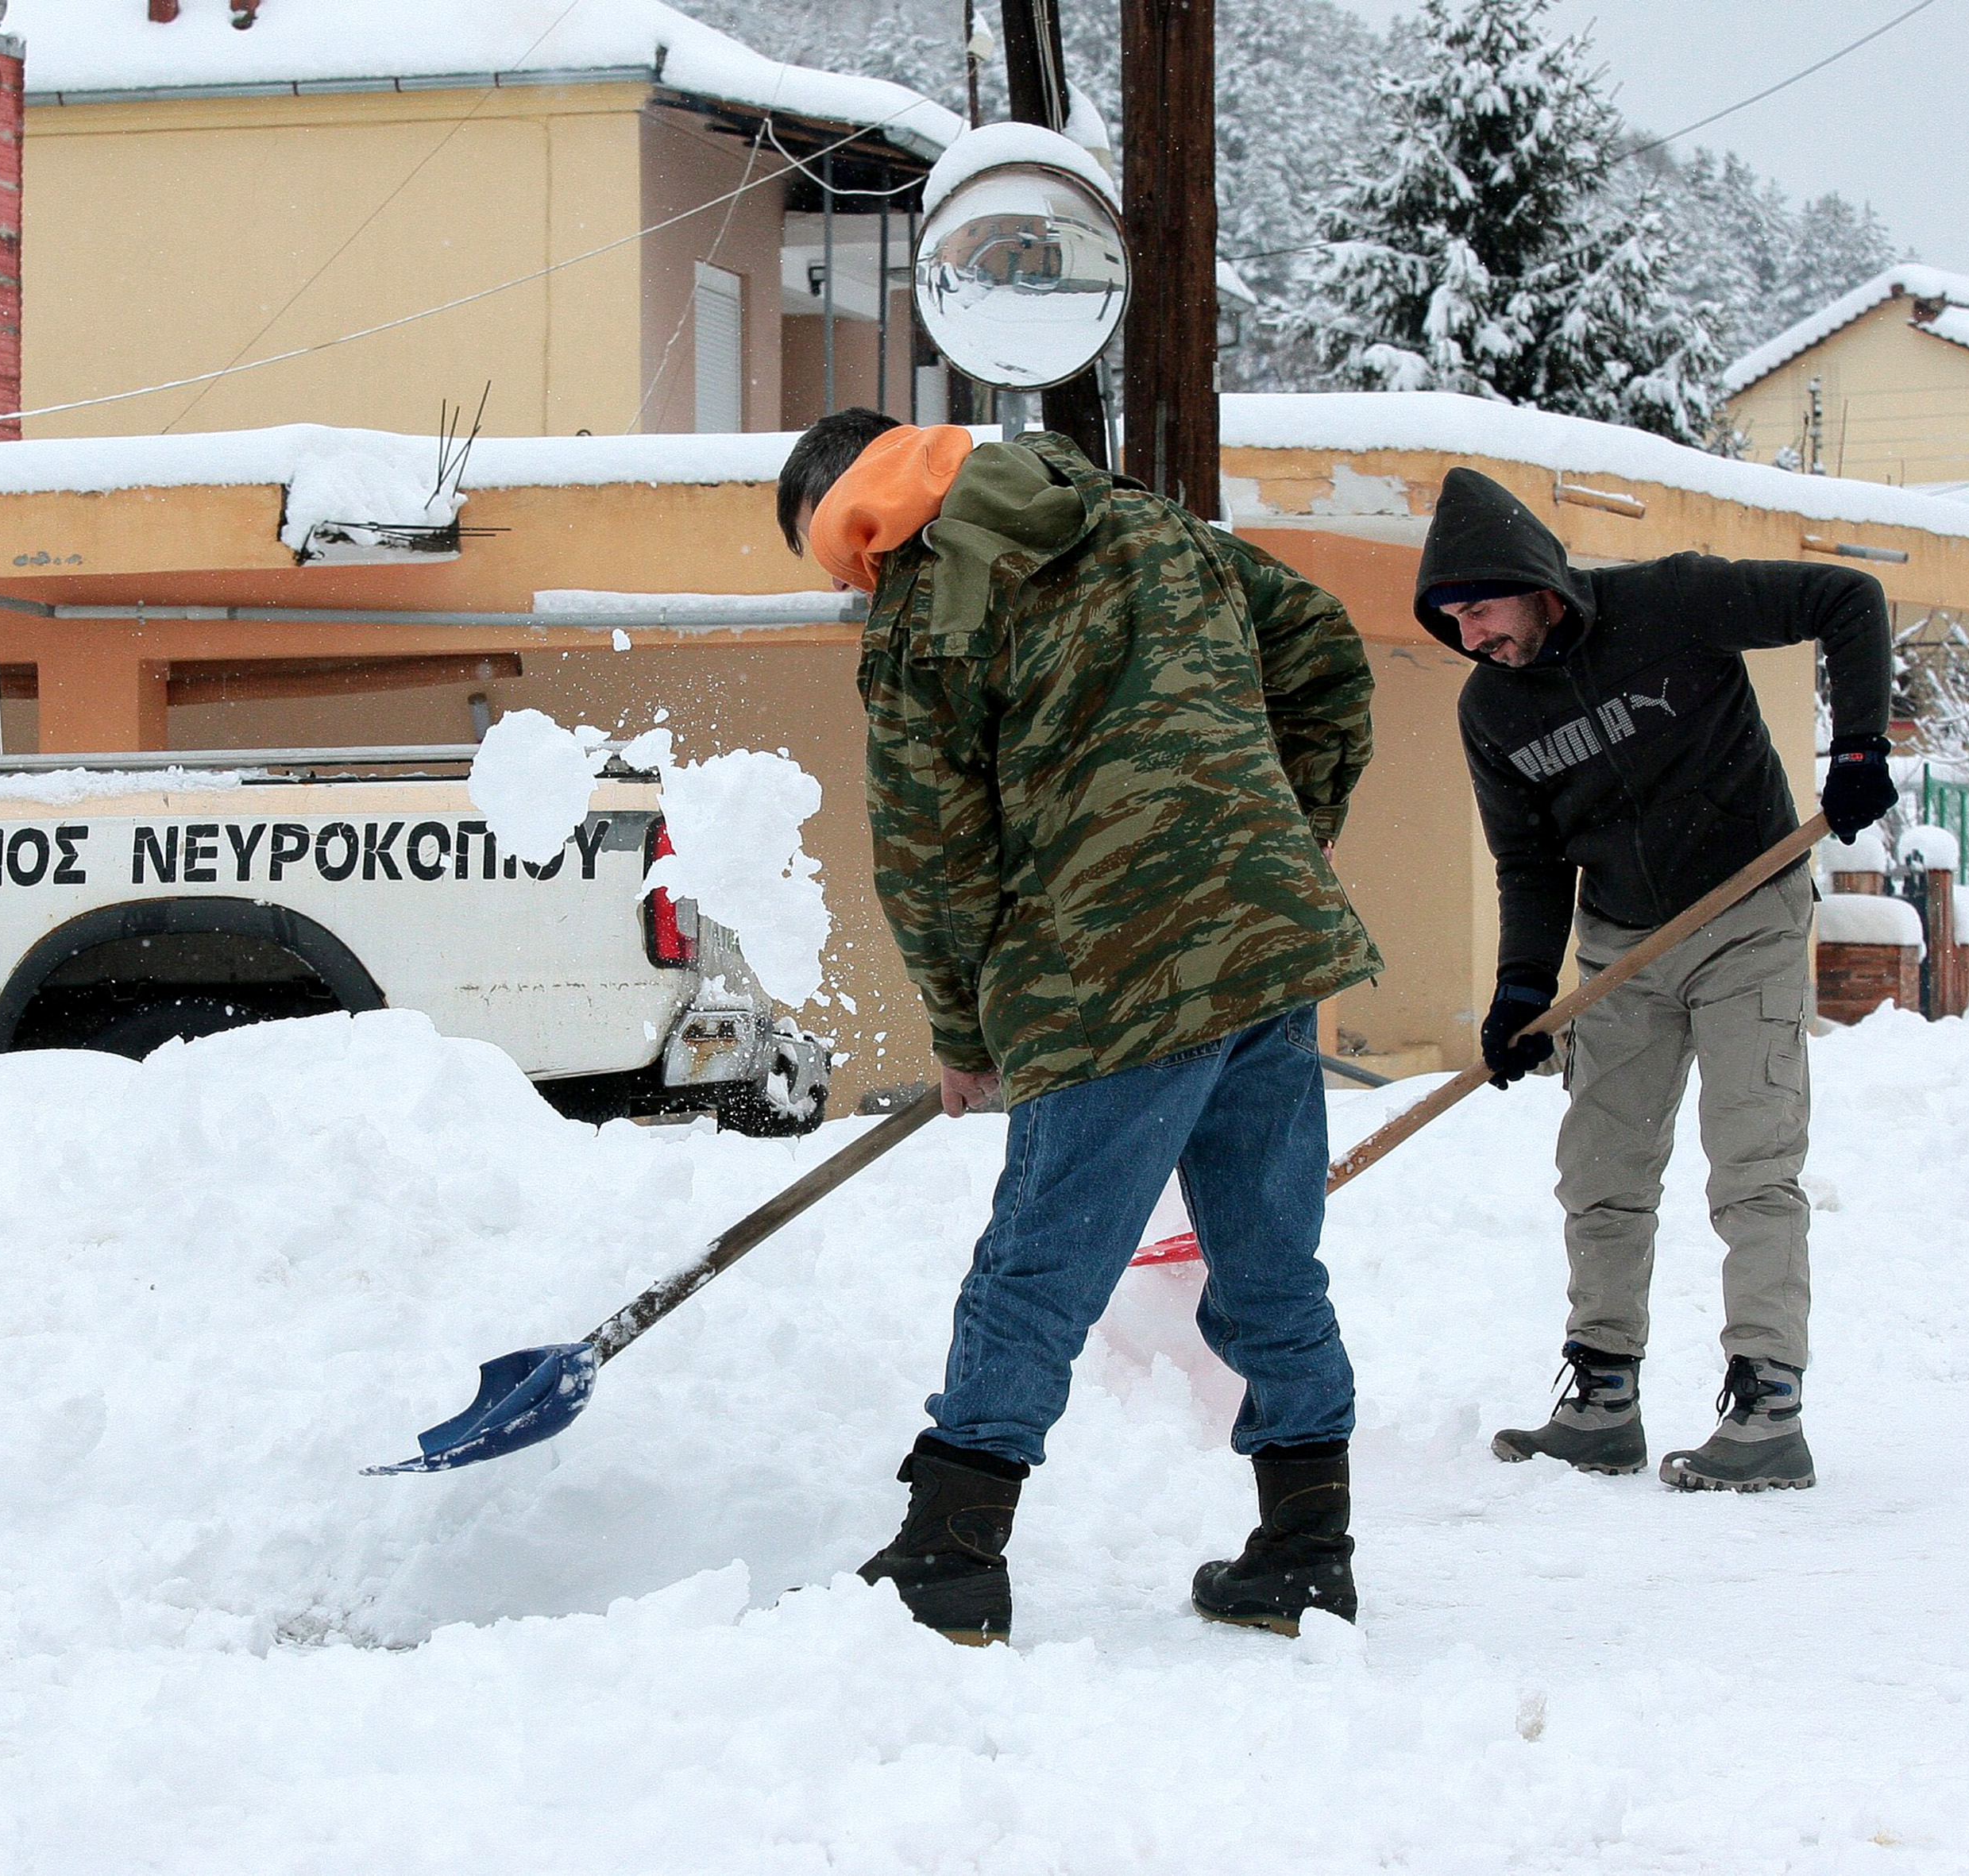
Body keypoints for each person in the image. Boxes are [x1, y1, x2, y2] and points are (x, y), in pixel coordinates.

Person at [775, 409, 1382, 1643]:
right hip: (1265, 940)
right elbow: (1322, 644)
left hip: (1112, 967)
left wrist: (962, 1033)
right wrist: (1288, 824)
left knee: (1038, 1263)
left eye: (839, 557)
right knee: (1270, 1256)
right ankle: (1309, 1548)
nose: (853, 581)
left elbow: (931, 852)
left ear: (861, 513)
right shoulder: (1147, 522)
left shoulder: (926, 600)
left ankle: (949, 1557)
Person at [1413, 467, 1897, 1494]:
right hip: (1618, 945)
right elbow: (1529, 861)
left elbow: (1846, 601)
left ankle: (1768, 1403)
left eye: (1481, 610)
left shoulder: (1673, 601)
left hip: (1749, 912)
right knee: (1602, 1170)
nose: (1472, 637)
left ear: (1534, 580)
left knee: (1752, 1158)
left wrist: (1859, 741)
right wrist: (1518, 991)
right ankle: (1602, 1396)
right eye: (1452, 621)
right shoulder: (1490, 709)